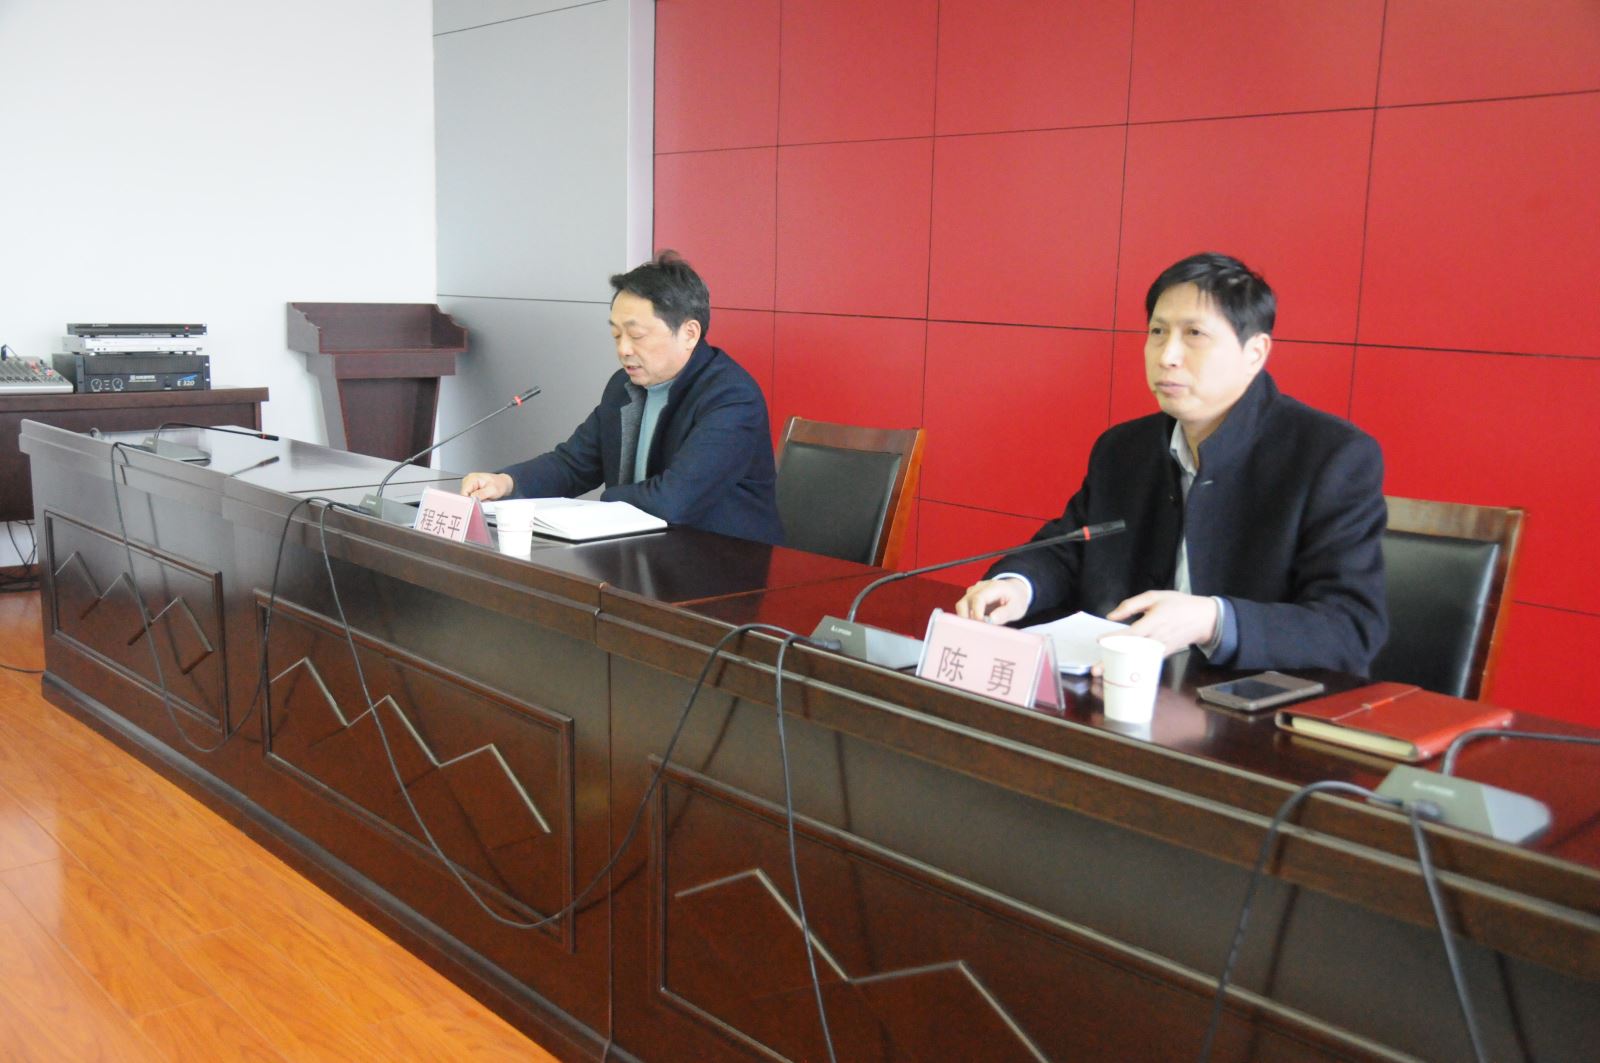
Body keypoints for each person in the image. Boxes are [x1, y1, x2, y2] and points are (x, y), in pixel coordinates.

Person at [956, 252, 1387, 673]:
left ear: (1255, 352)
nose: (1166, 355)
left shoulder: (1331, 457)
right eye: (1158, 332)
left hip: (1244, 703)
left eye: (1194, 334)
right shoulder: (1123, 449)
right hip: (1121, 690)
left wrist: (1212, 620)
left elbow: (1350, 629)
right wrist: (1018, 586)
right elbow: (1070, 549)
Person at [461, 253, 784, 545]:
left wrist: (601, 505)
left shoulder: (731, 398)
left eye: (636, 335)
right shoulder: (625, 386)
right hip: (642, 554)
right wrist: (506, 482)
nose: (623, 349)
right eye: (616, 334)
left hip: (723, 567)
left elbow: (674, 501)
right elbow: (574, 464)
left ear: (689, 333)